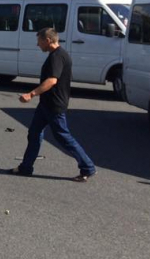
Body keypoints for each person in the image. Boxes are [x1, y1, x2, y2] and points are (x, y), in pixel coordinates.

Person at [12, 27, 96, 182]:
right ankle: (26, 167)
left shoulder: (56, 57)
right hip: (46, 104)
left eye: (39, 41)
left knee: (63, 137)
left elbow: (52, 80)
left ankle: (88, 167)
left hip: (54, 105)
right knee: (34, 133)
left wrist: (31, 94)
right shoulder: (58, 54)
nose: (38, 45)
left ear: (47, 40)